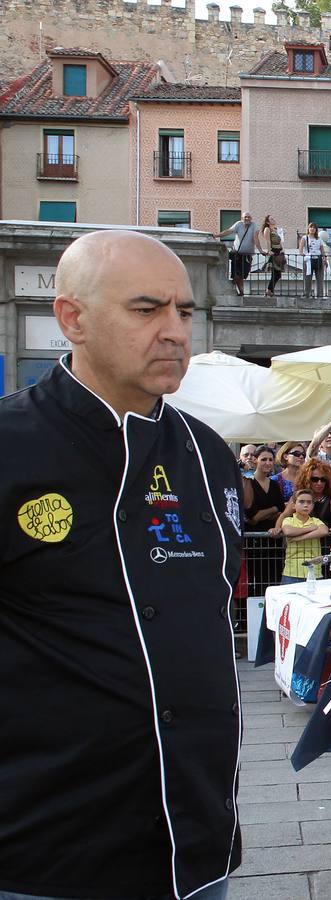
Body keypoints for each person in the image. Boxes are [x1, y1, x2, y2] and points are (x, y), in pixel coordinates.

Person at [0, 229, 240, 898]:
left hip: (193, 841)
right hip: (48, 852)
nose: (174, 331)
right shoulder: (10, 446)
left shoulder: (209, 455)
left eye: (184, 312)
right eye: (147, 310)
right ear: (71, 318)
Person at [281, 489, 329, 582]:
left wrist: (298, 538)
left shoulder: (316, 521)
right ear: (294, 505)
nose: (306, 505)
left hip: (314, 572)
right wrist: (310, 528)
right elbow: (288, 531)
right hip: (291, 572)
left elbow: (324, 531)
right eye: (301, 502)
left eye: (309, 502)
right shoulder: (288, 520)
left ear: (313, 505)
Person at [217, 210, 257, 296]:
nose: (247, 218)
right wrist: (217, 235)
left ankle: (235, 286)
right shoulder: (238, 224)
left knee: (242, 275)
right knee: (237, 274)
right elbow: (229, 231)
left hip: (247, 255)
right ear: (242, 218)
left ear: (251, 219)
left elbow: (255, 238)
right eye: (245, 217)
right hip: (237, 254)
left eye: (248, 217)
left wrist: (260, 250)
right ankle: (241, 291)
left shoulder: (254, 225)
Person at [257, 214, 285, 298]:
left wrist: (283, 250)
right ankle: (269, 290)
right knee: (275, 273)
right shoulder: (267, 229)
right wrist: (269, 251)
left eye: (273, 218)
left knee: (278, 274)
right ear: (267, 222)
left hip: (279, 251)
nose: (273, 220)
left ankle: (270, 290)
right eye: (271, 219)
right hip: (273, 251)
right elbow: (268, 241)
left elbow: (280, 241)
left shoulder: (276, 230)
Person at [299, 222, 329, 299]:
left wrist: (324, 259)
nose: (312, 229)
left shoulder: (319, 239)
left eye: (314, 228)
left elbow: (322, 250)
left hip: (318, 259)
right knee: (307, 278)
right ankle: (306, 295)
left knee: (320, 279)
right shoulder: (305, 238)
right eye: (311, 227)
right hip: (308, 260)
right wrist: (303, 254)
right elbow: (301, 249)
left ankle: (320, 296)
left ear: (316, 230)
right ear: (308, 229)